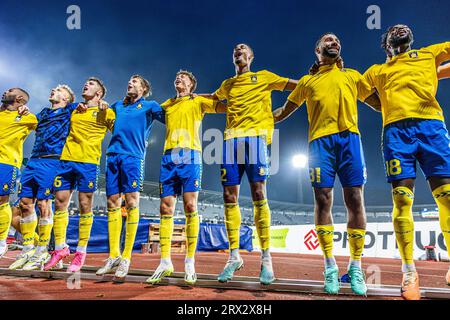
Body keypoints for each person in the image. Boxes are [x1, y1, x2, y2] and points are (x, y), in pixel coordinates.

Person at [272, 33, 381, 295]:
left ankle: (355, 265)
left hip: (350, 141)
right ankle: (330, 266)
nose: (334, 42)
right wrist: (255, 120)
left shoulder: (353, 76)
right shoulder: (308, 82)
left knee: (355, 198)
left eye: (337, 41)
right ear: (317, 50)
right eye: (328, 40)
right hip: (320, 144)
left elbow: (378, 104)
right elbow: (283, 111)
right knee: (323, 200)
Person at [364, 24, 450, 299]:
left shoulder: (429, 54)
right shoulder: (378, 71)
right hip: (396, 133)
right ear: (387, 44)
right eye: (392, 29)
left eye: (404, 28)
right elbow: (355, 89)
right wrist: (383, 104)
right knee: (402, 200)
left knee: (447, 196)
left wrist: (438, 73)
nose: (399, 28)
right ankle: (409, 271)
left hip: (432, 128)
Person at [204, 43, 298, 285]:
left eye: (243, 48)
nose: (238, 50)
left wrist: (286, 108)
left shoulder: (265, 76)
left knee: (258, 193)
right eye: (235, 49)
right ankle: (234, 256)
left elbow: (297, 86)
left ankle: (266, 259)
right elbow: (214, 100)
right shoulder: (228, 84)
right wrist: (192, 98)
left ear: (251, 56)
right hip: (230, 140)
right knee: (229, 196)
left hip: (256, 139)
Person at [146, 70, 225, 285]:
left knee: (191, 206)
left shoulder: (198, 101)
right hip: (168, 156)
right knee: (165, 208)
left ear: (191, 84)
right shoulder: (168, 104)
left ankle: (190, 262)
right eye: (176, 77)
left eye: (184, 77)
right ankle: (165, 262)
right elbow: (147, 112)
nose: (178, 78)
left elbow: (222, 101)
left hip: (190, 155)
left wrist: (206, 95)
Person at [44, 77, 115, 272]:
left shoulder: (106, 111)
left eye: (91, 84)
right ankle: (60, 248)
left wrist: (106, 110)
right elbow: (57, 106)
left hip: (89, 162)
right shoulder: (74, 108)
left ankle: (81, 252)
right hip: (66, 160)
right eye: (86, 83)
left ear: (99, 93)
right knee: (59, 203)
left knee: (85, 205)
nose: (86, 84)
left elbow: (118, 132)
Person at [96, 75, 164, 278]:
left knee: (132, 203)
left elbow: (170, 117)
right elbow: (102, 123)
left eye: (135, 81)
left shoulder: (150, 105)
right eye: (130, 80)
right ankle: (113, 255)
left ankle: (126, 257)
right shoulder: (117, 105)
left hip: (133, 158)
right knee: (112, 203)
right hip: (112, 156)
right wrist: (101, 111)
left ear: (144, 88)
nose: (130, 82)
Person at [8, 85, 77, 270]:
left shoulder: (70, 109)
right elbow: (30, 122)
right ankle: (28, 249)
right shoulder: (43, 113)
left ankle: (42, 250)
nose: (53, 90)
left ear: (66, 99)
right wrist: (24, 110)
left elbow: (89, 106)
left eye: (58, 90)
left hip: (52, 161)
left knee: (43, 204)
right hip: (33, 160)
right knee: (24, 203)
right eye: (54, 89)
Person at [0, 88, 37, 258]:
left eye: (10, 91)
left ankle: (2, 243)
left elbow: (47, 130)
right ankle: (38, 244)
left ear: (20, 98)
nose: (5, 91)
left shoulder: (27, 117)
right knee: (15, 215)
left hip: (7, 163)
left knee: (3, 201)